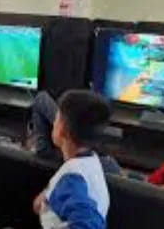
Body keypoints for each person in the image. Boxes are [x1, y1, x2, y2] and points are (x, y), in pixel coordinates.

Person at [33, 90, 111, 229]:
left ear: (62, 129)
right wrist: (47, 196)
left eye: (56, 118)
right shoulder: (91, 162)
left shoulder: (72, 177)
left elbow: (88, 224)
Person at [29, 91, 121, 175]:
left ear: (62, 129)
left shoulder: (67, 180)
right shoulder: (110, 167)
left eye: (57, 119)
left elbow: (40, 99)